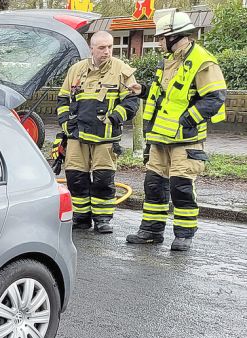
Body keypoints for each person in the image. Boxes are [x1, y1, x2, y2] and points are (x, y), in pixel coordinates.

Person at [126, 9, 227, 252]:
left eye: (162, 37)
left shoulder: (203, 61)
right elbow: (166, 97)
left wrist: (185, 121)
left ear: (175, 36)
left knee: (180, 187)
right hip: (161, 138)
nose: (159, 42)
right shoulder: (170, 61)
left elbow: (215, 97)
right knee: (153, 186)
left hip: (186, 140)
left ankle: (184, 234)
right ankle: (151, 232)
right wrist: (143, 90)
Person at [56, 30, 141, 234]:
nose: (107, 51)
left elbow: (132, 101)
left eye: (110, 47)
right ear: (91, 48)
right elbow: (63, 99)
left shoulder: (122, 70)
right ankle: (81, 217)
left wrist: (114, 118)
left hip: (105, 138)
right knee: (76, 178)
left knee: (103, 179)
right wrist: (66, 125)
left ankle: (103, 219)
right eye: (102, 47)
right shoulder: (76, 70)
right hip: (77, 136)